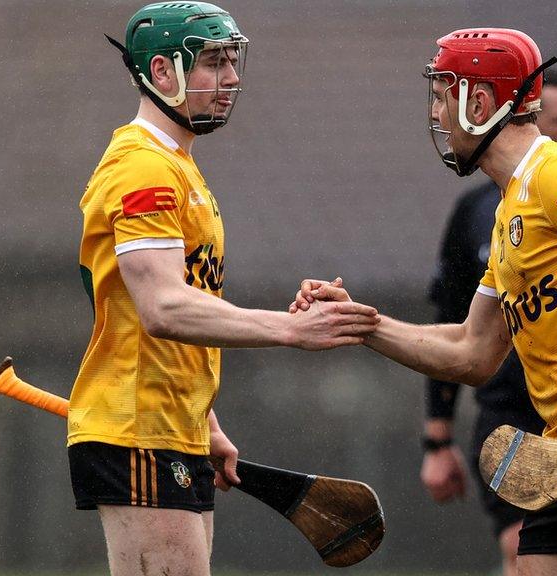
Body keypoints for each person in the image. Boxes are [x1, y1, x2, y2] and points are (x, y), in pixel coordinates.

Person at [293, 28, 557, 576]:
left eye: (444, 96)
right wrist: (363, 325)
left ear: (480, 103)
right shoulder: (510, 211)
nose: (437, 115)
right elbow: (473, 351)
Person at [71, 4, 379, 575]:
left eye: (231, 61)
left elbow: (187, 310)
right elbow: (163, 308)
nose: (232, 77)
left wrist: (205, 422)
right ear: (162, 71)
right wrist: (291, 329)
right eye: (213, 62)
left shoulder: (180, 166)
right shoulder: (141, 170)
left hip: (175, 426)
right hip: (138, 427)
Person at [419, 64, 557, 576]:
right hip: (511, 417)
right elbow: (453, 327)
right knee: (524, 551)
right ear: (527, 119)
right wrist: (437, 440)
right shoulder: (479, 213)